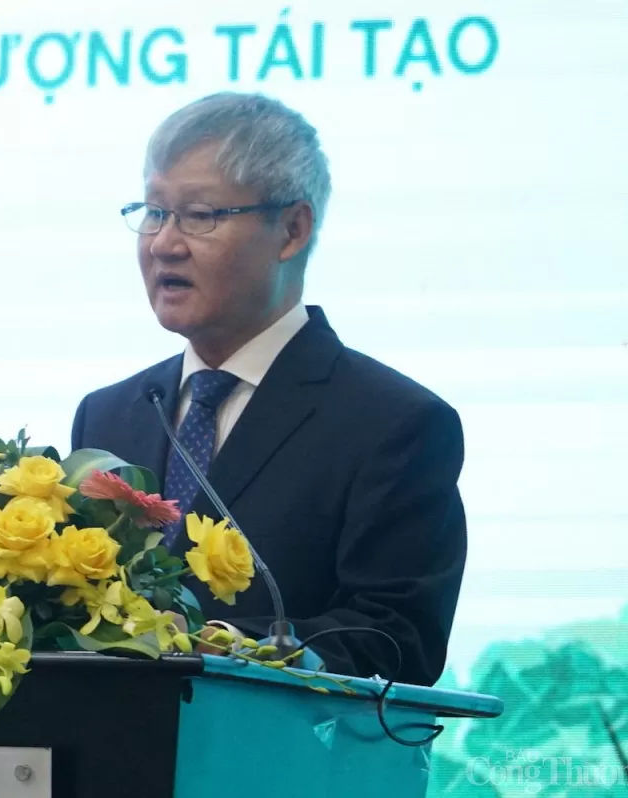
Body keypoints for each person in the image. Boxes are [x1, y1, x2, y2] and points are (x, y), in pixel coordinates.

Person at [70, 91, 466, 687]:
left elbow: (395, 637)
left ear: (292, 229)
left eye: (199, 215)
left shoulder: (394, 424)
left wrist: (225, 648)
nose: (163, 243)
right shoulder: (110, 415)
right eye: (153, 212)